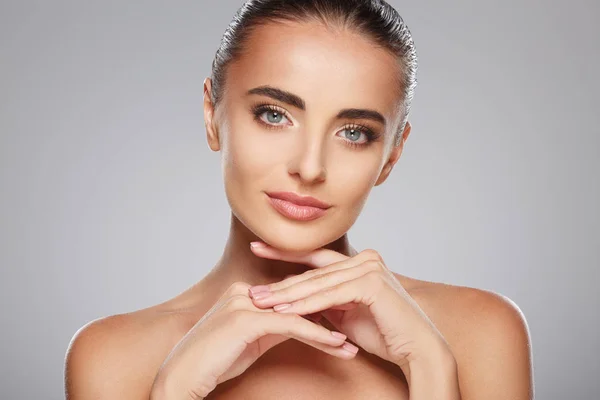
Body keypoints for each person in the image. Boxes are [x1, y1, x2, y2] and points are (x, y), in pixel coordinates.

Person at [64, 0, 534, 399]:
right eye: (273, 114)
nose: (310, 168)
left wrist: (431, 368)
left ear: (391, 155)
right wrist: (173, 390)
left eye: (354, 132)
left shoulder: (479, 334)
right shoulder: (113, 359)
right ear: (212, 115)